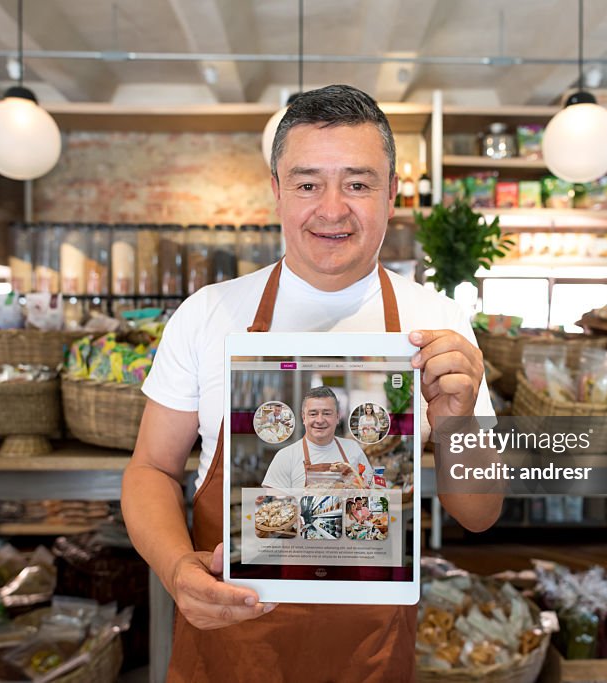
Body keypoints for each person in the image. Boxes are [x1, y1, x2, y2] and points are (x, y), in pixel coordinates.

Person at [122, 84, 501, 681]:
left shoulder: (441, 323)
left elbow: (479, 515)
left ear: (391, 195)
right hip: (235, 639)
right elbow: (151, 469)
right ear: (276, 192)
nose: (331, 208)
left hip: (369, 650)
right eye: (307, 184)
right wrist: (175, 570)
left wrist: (458, 423)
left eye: (357, 183)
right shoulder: (208, 313)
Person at [262, 386, 372, 489]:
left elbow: (371, 491)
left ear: (338, 417)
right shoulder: (285, 457)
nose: (320, 420)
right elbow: (271, 503)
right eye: (313, 414)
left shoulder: (353, 449)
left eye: (327, 413)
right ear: (304, 417)